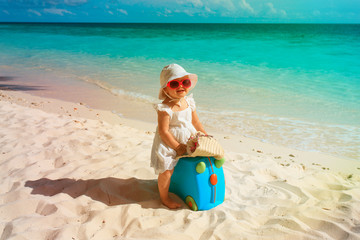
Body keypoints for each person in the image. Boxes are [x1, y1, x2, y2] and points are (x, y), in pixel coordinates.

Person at [151, 63, 207, 209]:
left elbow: (195, 122)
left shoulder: (189, 102)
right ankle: (164, 198)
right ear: (165, 88)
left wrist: (204, 135)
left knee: (197, 159)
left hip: (187, 137)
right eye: (174, 83)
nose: (181, 86)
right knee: (167, 170)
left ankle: (186, 185)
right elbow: (164, 131)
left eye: (185, 82)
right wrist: (176, 146)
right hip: (169, 141)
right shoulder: (165, 108)